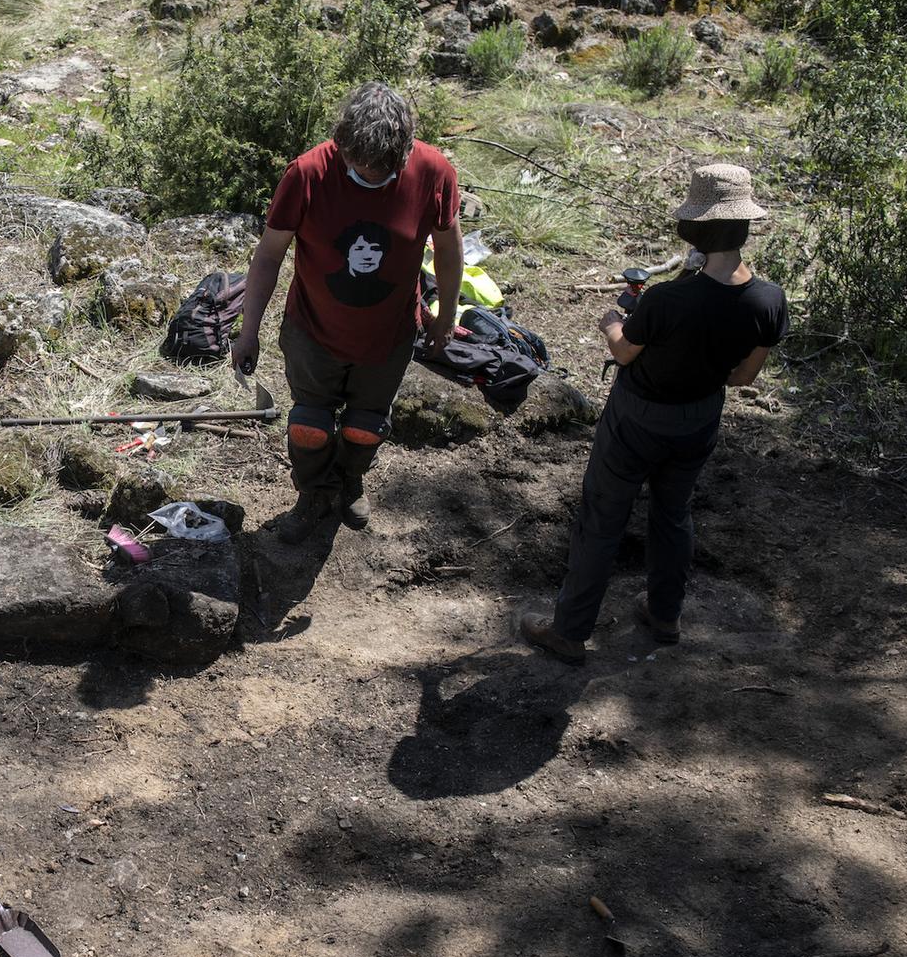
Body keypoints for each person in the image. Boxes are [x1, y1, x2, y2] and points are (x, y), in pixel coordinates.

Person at [520, 164, 788, 663]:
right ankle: (665, 615)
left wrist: (610, 323)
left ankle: (570, 632)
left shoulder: (667, 298)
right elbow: (743, 378)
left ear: (694, 231)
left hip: (637, 418)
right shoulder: (769, 300)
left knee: (602, 518)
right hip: (700, 418)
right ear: (745, 228)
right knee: (673, 514)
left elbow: (624, 352)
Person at [231, 82, 464, 543]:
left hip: (388, 335)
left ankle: (350, 479)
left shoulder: (433, 171)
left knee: (365, 426)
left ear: (404, 152)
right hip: (313, 332)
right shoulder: (307, 174)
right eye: (360, 169)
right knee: (309, 425)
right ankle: (313, 493)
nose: (371, 178)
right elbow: (269, 256)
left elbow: (449, 250)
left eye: (383, 172)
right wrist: (249, 329)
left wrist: (446, 315)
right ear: (342, 144)